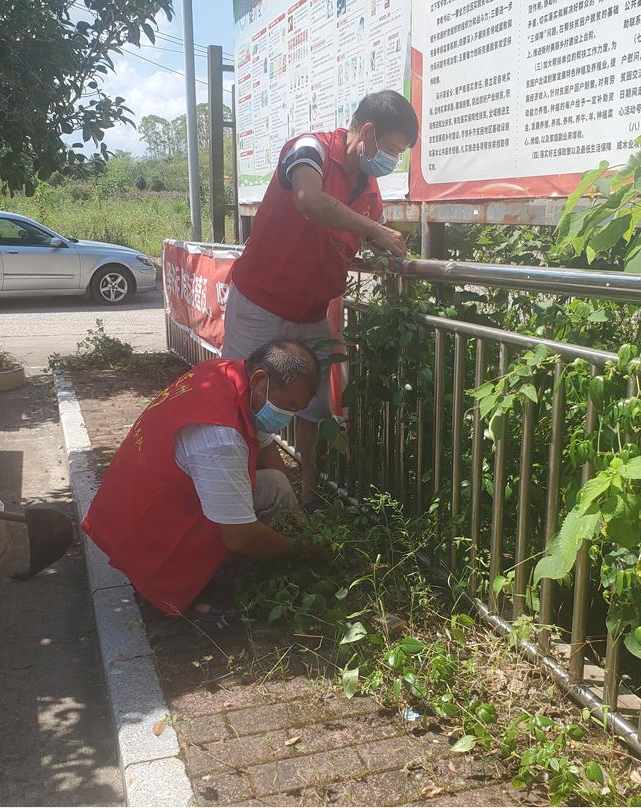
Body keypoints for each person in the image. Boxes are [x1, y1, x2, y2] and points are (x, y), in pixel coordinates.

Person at [221, 90, 419, 509]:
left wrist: (390, 247)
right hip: (259, 303)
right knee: (238, 399)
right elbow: (309, 201)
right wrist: (377, 231)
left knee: (315, 406)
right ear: (366, 132)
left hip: (311, 313)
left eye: (399, 154)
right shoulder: (309, 149)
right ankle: (231, 505)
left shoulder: (369, 189)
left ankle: (307, 496)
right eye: (391, 150)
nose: (391, 160)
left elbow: (377, 237)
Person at [81, 340, 323, 616]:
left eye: (296, 410)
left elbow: (265, 445)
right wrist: (301, 549)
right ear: (260, 379)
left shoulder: (223, 373)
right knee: (247, 525)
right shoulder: (221, 440)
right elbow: (239, 536)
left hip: (132, 502)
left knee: (276, 486)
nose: (288, 417)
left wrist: (296, 516)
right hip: (154, 533)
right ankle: (191, 584)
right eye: (288, 406)